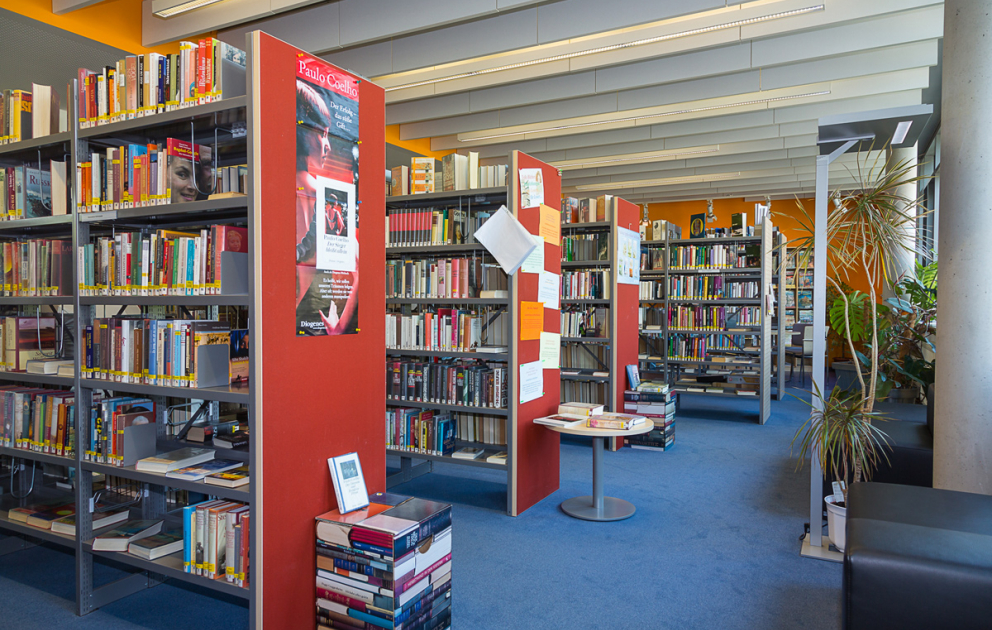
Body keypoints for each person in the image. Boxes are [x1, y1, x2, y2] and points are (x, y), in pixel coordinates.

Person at [295, 79, 359, 335]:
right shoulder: (321, 194)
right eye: (321, 133)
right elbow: (359, 269)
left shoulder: (317, 194)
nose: (328, 144)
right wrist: (340, 328)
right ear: (303, 130)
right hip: (309, 329)